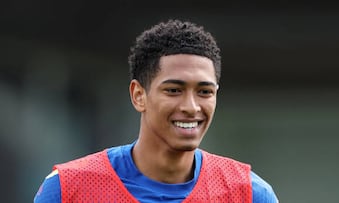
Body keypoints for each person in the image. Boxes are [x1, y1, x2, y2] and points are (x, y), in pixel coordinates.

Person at [34, 19, 278, 203]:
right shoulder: (68, 189)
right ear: (139, 96)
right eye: (173, 90)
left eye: (204, 92)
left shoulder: (249, 194)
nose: (191, 107)